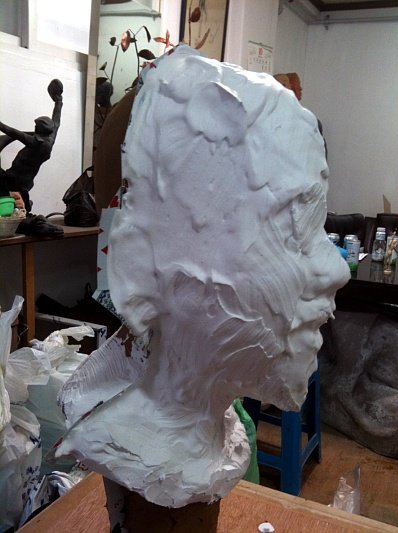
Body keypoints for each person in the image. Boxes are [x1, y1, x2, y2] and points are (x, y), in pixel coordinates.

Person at [54, 45, 349, 508]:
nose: (337, 269)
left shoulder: (226, 421)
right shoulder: (135, 449)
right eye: (296, 228)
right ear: (147, 265)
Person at [0, 79, 63, 212]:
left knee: (6, 197)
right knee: (19, 203)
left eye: (36, 127)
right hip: (26, 182)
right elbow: (56, 121)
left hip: (11, 179)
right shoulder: (50, 140)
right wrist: (58, 101)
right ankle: (24, 206)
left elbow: (12, 132)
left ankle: (18, 208)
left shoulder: (35, 142)